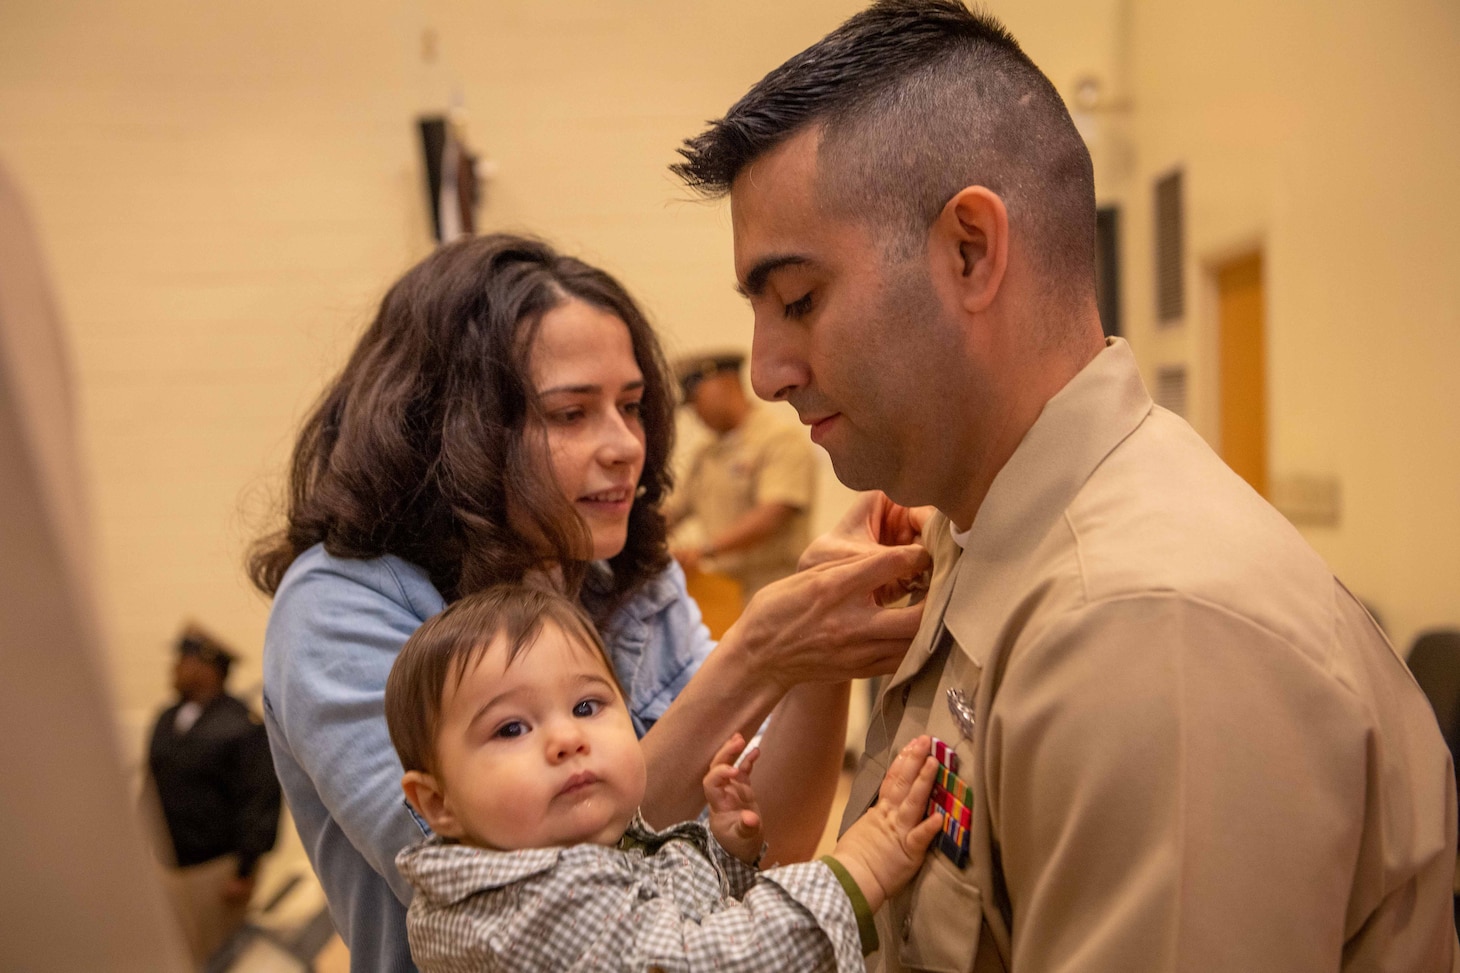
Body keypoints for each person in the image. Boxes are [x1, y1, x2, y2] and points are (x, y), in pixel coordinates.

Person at [672, 1, 1460, 970]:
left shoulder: (1143, 626)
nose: (765, 371)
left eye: (798, 301)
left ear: (968, 249)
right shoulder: (981, 533)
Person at [249, 233, 930, 971]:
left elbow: (766, 845)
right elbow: (531, 895)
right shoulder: (338, 605)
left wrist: (819, 652)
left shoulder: (618, 567)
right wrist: (759, 657)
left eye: (632, 406)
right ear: (457, 426)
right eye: (571, 414)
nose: (624, 446)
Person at [383, 582, 943, 972]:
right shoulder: (518, 909)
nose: (567, 740)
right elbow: (696, 962)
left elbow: (652, 914)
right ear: (436, 804)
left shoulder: (575, 848)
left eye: (586, 707)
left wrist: (723, 856)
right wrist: (858, 871)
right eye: (510, 729)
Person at [146, 624, 281, 968]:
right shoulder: (168, 717)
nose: (174, 669)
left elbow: (260, 798)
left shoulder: (240, 724)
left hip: (216, 871)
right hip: (167, 864)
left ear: (207, 668)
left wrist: (246, 868)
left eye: (182, 661)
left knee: (220, 959)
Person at [666, 349, 817, 601]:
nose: (694, 411)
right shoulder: (706, 455)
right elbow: (673, 510)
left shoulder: (779, 440)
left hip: (778, 589)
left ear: (722, 385)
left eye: (696, 398)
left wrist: (706, 550)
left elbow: (773, 513)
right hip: (727, 592)